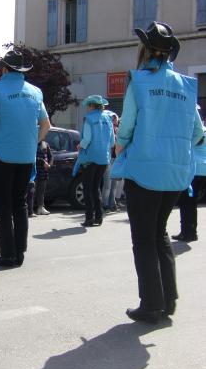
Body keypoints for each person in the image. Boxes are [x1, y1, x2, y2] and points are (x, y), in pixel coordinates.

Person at [113, 21, 203, 323]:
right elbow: (197, 132)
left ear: (147, 50)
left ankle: (151, 303)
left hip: (145, 169)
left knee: (144, 239)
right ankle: (168, 300)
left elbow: (126, 126)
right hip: (177, 172)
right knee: (159, 233)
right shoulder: (187, 84)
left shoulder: (138, 80)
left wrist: (121, 145)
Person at [0, 49, 51, 267]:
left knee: (3, 205)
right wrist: (33, 143)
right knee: (20, 203)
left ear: (4, 68)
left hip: (3, 153)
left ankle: (8, 254)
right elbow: (46, 124)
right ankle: (20, 251)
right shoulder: (35, 92)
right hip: (26, 155)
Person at [77, 95, 115, 227]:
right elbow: (112, 142)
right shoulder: (108, 119)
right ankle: (99, 217)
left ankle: (89, 218)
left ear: (92, 105)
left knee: (88, 188)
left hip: (90, 158)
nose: (87, 108)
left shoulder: (88, 119)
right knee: (96, 187)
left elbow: (86, 139)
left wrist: (80, 145)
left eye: (88, 105)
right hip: (104, 158)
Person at [171, 125, 206, 242]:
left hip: (193, 170)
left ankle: (186, 232)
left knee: (186, 203)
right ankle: (192, 232)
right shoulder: (203, 131)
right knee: (192, 202)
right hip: (203, 170)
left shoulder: (190, 131)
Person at [102, 112, 120, 211]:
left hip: (116, 159)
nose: (114, 121)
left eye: (115, 119)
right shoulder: (108, 130)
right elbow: (111, 144)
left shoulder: (117, 131)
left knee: (114, 184)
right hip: (109, 158)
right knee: (108, 183)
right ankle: (104, 203)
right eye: (113, 119)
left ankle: (112, 203)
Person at [35, 139, 53, 215]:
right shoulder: (32, 143)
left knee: (41, 190)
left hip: (44, 172)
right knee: (32, 190)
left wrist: (49, 165)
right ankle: (30, 209)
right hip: (34, 170)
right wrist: (42, 162)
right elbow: (31, 156)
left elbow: (51, 156)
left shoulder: (45, 144)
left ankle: (41, 207)